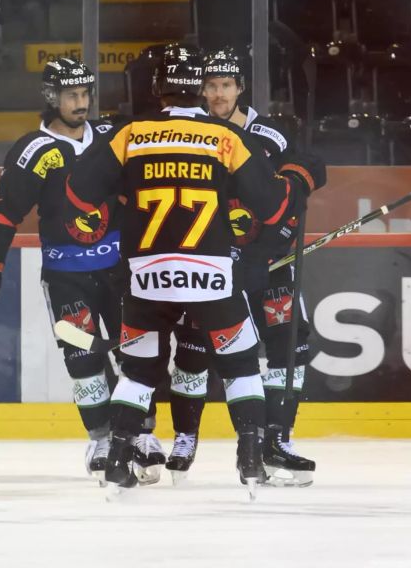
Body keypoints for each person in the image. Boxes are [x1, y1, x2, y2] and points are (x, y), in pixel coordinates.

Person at [64, 44, 325, 495]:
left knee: (138, 371)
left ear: (156, 87)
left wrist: (126, 195)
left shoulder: (132, 133)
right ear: (199, 90)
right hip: (211, 274)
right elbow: (275, 204)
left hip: (147, 275)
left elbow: (78, 192)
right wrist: (296, 182)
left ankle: (119, 461)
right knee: (241, 363)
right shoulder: (227, 138)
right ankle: (250, 458)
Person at [0, 58, 165, 483]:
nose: (80, 102)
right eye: (71, 94)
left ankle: (143, 433)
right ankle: (103, 438)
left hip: (122, 271)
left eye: (85, 93)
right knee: (82, 358)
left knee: (137, 355)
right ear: (52, 97)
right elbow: (2, 211)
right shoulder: (35, 151)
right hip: (65, 276)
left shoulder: (113, 136)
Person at [163, 48, 317, 487]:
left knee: (288, 344)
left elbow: (301, 175)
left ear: (240, 88)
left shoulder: (268, 133)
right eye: (210, 86)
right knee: (193, 348)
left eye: (226, 85)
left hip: (269, 263)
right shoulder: (190, 134)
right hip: (210, 264)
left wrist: (285, 231)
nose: (217, 94)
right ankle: (184, 437)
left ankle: (276, 438)